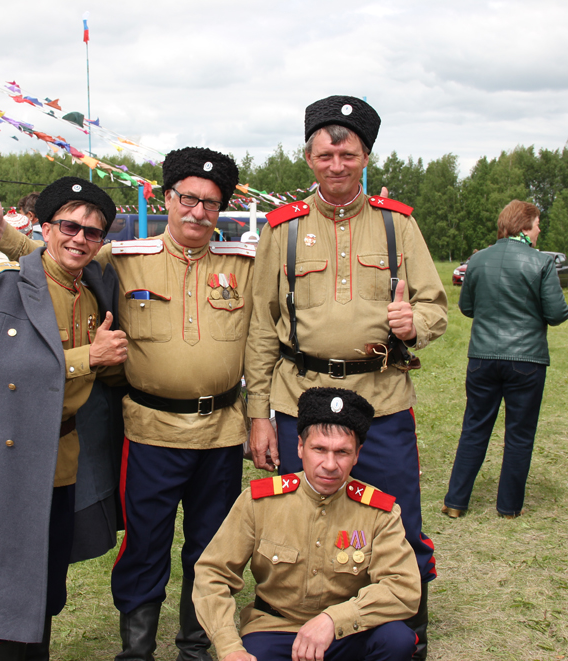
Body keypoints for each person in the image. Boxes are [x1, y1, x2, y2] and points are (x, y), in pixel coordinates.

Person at [0, 147, 253, 661]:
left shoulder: (244, 264)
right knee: (145, 547)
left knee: (213, 547)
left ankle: (196, 647)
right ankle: (137, 653)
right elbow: (60, 256)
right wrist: (1, 234)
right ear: (167, 199)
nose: (197, 211)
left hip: (222, 432)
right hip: (149, 430)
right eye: (187, 198)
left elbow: (260, 341)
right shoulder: (123, 257)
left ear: (222, 209)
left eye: (211, 203)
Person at [244, 95, 446, 659]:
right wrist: (258, 416)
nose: (337, 165)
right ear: (308, 158)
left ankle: (407, 625)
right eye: (326, 154)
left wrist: (414, 324)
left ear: (366, 158)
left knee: (397, 509)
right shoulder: (282, 229)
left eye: (349, 154)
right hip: (298, 398)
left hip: (380, 397)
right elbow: (261, 328)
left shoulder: (396, 225)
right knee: (301, 512)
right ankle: (302, 619)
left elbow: (436, 306)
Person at [0, 176, 128, 659]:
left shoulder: (92, 293)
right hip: (8, 462)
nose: (79, 238)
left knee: (43, 589)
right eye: (69, 226)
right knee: (5, 593)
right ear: (44, 228)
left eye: (92, 232)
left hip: (64, 464)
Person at [194, 387, 420, 661]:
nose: (329, 464)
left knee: (397, 640)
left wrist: (333, 619)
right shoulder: (259, 502)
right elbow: (212, 574)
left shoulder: (378, 511)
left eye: (342, 452)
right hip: (277, 629)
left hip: (347, 632)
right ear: (300, 448)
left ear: (357, 455)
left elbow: (403, 587)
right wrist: (229, 647)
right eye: (319, 449)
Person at [441, 200, 568, 519]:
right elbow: (557, 314)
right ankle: (508, 507)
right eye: (538, 224)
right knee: (520, 432)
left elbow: (467, 307)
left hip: (483, 357)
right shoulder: (542, 262)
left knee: (474, 426)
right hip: (526, 360)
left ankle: (456, 502)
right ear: (525, 226)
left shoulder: (478, 260)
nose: (540, 230)